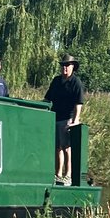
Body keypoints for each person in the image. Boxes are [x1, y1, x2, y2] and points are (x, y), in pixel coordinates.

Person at [44, 54, 84, 185]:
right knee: (57, 147)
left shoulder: (76, 83)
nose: (64, 68)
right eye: (62, 65)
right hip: (54, 117)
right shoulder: (56, 81)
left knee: (67, 147)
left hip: (67, 118)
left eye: (67, 65)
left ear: (72, 67)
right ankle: (58, 174)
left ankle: (68, 175)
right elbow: (47, 98)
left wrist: (75, 120)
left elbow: (79, 103)